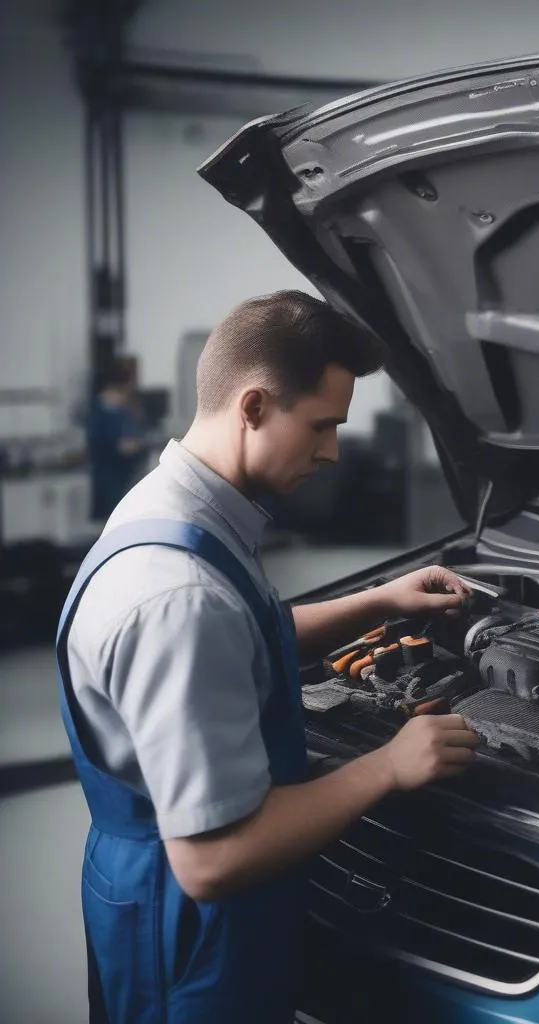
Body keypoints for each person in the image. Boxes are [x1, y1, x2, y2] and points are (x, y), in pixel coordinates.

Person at [57, 290, 478, 1023]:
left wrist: (380, 600)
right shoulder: (179, 598)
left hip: (147, 888)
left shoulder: (172, 509)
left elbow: (248, 631)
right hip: (188, 929)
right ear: (252, 406)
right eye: (321, 425)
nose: (332, 451)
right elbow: (213, 860)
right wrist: (387, 765)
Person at [86, 356, 151, 521]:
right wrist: (143, 443)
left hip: (122, 480)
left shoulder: (121, 412)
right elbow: (124, 446)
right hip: (110, 482)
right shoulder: (102, 415)